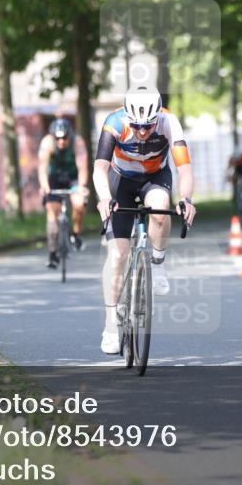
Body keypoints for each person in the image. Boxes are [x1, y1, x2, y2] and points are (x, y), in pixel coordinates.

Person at [93, 86, 197, 354]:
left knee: (161, 207)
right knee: (118, 255)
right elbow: (99, 169)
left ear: (157, 118)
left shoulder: (169, 122)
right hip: (120, 181)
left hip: (154, 177)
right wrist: (105, 198)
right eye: (137, 125)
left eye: (148, 126)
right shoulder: (114, 123)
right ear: (128, 117)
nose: (142, 131)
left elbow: (184, 169)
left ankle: (158, 264)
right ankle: (111, 325)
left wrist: (186, 199)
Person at [38, 118, 89, 269]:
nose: (61, 141)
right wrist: (45, 187)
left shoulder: (77, 142)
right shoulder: (47, 143)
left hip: (72, 178)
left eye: (65, 138)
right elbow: (42, 169)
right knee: (52, 211)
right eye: (58, 138)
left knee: (79, 204)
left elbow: (83, 168)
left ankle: (76, 234)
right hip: (53, 178)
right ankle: (53, 253)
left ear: (70, 136)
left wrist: (81, 186)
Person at [225, 148, 242, 214]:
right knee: (234, 182)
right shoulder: (232, 159)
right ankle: (234, 196)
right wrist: (229, 176)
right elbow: (228, 168)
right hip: (237, 172)